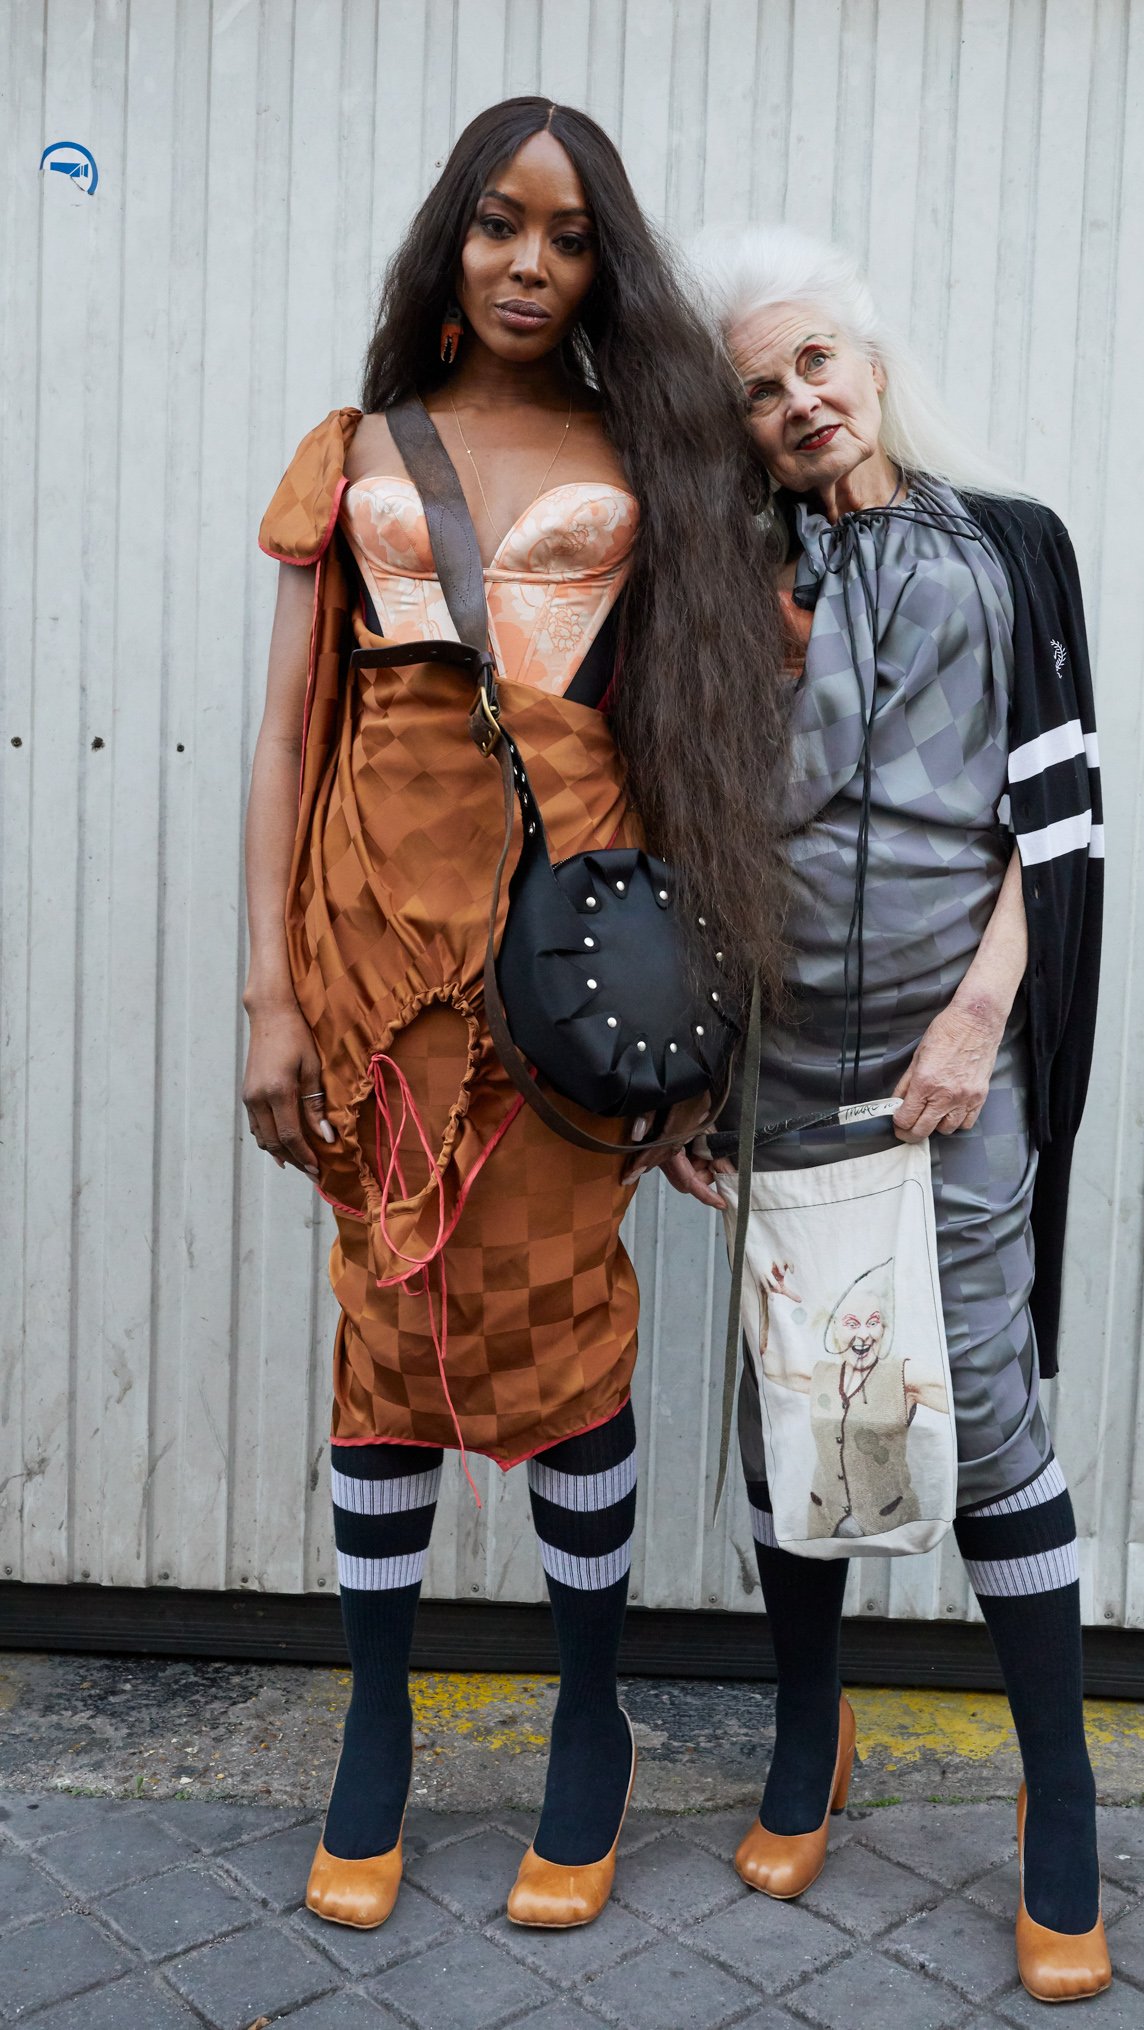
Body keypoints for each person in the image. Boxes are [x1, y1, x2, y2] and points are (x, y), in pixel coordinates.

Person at [241, 99, 784, 1933]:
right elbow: (286, 733)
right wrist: (267, 987)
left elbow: (704, 732)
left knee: (561, 1330)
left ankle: (588, 1716)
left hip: (567, 955)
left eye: (566, 234)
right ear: (449, 240)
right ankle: (376, 1720)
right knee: (384, 1322)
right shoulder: (354, 450)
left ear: (601, 261)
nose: (528, 263)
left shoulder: (656, 456)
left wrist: (703, 1026)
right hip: (369, 943)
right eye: (496, 223)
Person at [676, 224, 1108, 2004]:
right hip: (778, 1060)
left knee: (985, 1408)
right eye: (757, 388)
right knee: (803, 1398)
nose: (796, 402)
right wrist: (695, 1067)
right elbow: (689, 822)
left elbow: (1053, 827)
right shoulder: (724, 576)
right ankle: (809, 1732)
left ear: (867, 361)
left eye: (815, 363)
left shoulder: (1008, 547)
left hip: (958, 1056)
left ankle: (1058, 1791)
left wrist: (976, 1021)